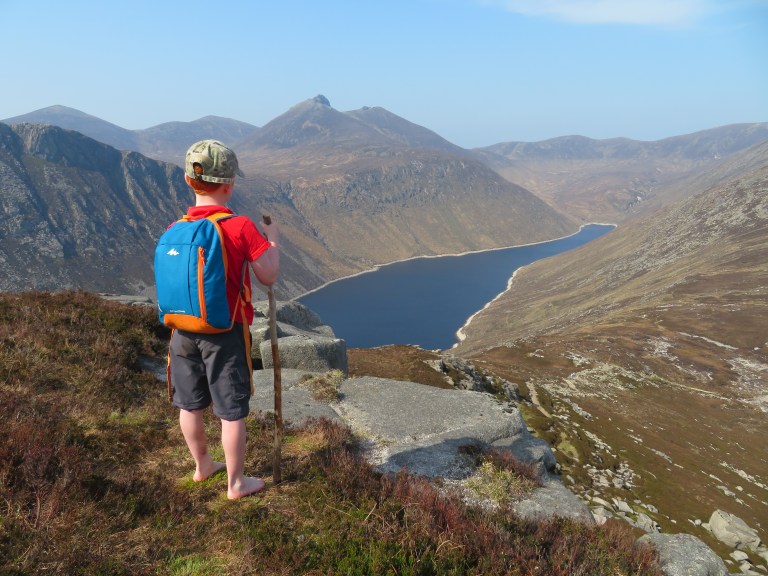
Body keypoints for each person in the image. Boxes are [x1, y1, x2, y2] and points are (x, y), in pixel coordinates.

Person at [168, 139, 279, 499]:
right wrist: (272, 242)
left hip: (181, 329)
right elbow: (268, 276)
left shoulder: (176, 228)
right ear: (229, 184)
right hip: (224, 331)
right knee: (231, 410)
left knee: (190, 403)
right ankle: (236, 483)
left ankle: (202, 465)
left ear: (189, 181)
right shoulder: (240, 226)